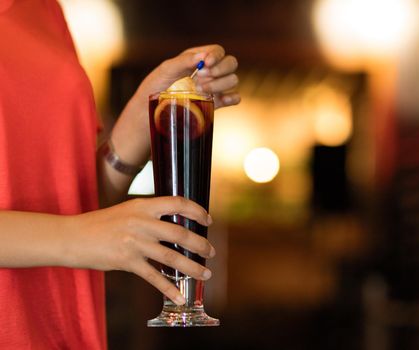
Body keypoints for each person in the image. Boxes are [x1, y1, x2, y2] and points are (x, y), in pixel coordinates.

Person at [0, 0, 240, 348]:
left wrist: (143, 112)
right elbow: (75, 233)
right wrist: (74, 236)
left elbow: (71, 201)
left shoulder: (42, 9)